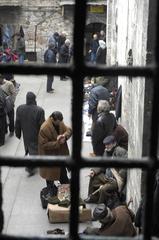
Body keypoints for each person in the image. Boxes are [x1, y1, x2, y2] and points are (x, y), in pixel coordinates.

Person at [38, 111, 72, 200]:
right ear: (53, 119)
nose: (60, 123)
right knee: (50, 178)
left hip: (60, 156)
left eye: (61, 121)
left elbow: (69, 130)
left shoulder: (60, 122)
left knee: (63, 176)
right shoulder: (44, 128)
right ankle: (51, 192)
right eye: (58, 122)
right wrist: (57, 143)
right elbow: (44, 145)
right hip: (50, 157)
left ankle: (65, 196)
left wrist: (64, 136)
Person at [85, 135, 127, 204]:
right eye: (105, 145)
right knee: (93, 178)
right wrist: (94, 171)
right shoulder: (106, 152)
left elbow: (126, 165)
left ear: (114, 144)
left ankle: (101, 205)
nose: (106, 146)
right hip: (107, 177)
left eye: (108, 144)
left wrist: (119, 177)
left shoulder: (120, 151)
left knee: (103, 189)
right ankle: (92, 198)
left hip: (115, 180)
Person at [15, 92, 45, 176]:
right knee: (34, 150)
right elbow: (43, 125)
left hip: (26, 134)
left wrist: (18, 133)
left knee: (29, 148)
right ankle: (30, 166)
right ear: (34, 99)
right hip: (36, 134)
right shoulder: (39, 110)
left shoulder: (20, 108)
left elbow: (17, 122)